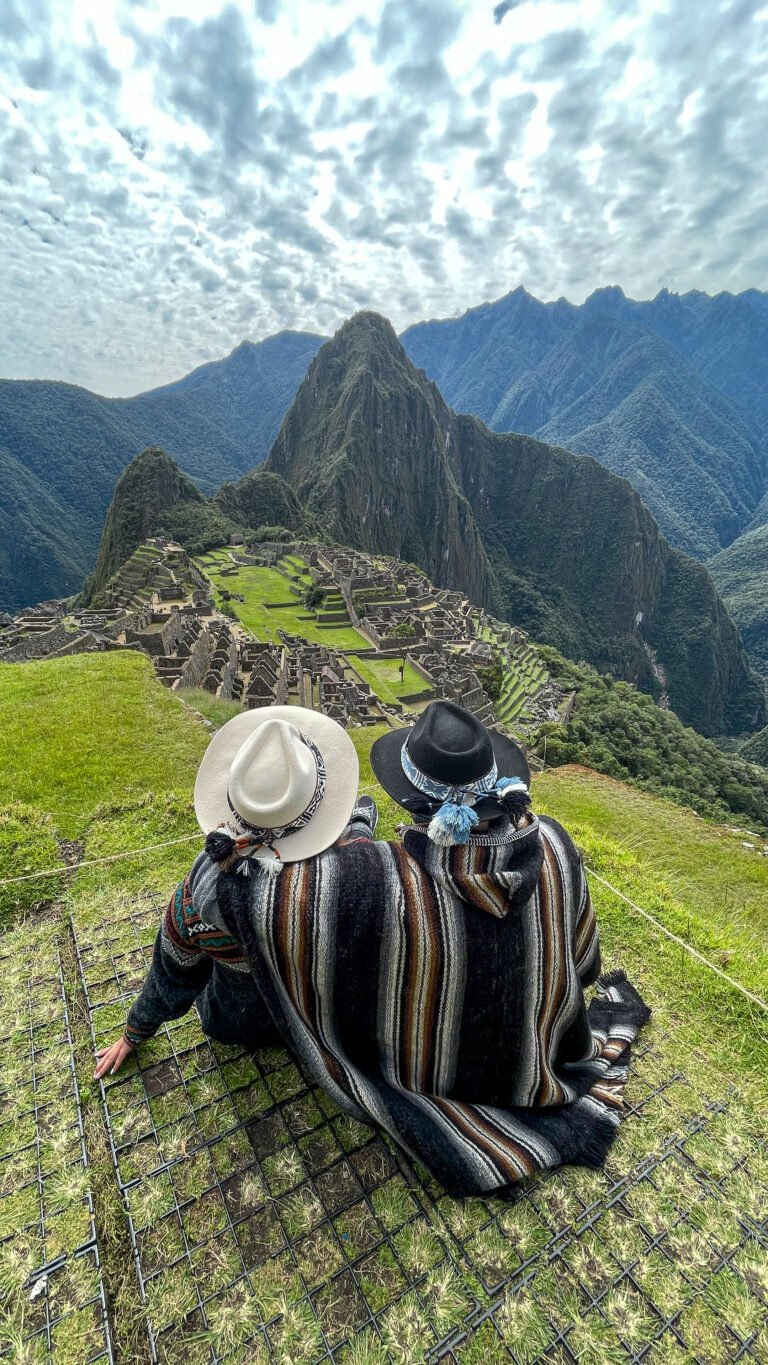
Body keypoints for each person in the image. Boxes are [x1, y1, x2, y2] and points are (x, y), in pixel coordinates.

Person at [96, 700, 650, 1197]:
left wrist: (134, 1030)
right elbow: (583, 960)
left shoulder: (262, 889)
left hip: (245, 1019)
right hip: (542, 1043)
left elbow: (178, 962)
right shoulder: (551, 840)